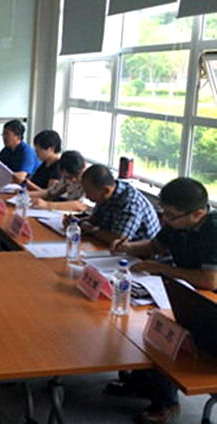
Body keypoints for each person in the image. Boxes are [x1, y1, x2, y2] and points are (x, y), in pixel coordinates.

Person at [108, 178, 217, 423]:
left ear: (198, 214)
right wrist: (127, 247)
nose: (165, 219)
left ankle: (165, 402)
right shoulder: (178, 220)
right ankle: (141, 383)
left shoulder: (213, 230)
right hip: (187, 290)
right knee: (143, 317)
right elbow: (154, 246)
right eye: (164, 213)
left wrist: (161, 269)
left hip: (209, 299)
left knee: (168, 329)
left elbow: (210, 280)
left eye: (170, 215)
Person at [76, 164, 160, 246]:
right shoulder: (105, 194)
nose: (87, 196)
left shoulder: (130, 203)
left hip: (140, 251)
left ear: (106, 191)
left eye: (89, 192)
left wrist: (92, 230)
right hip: (114, 247)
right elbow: (96, 219)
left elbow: (119, 240)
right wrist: (77, 222)